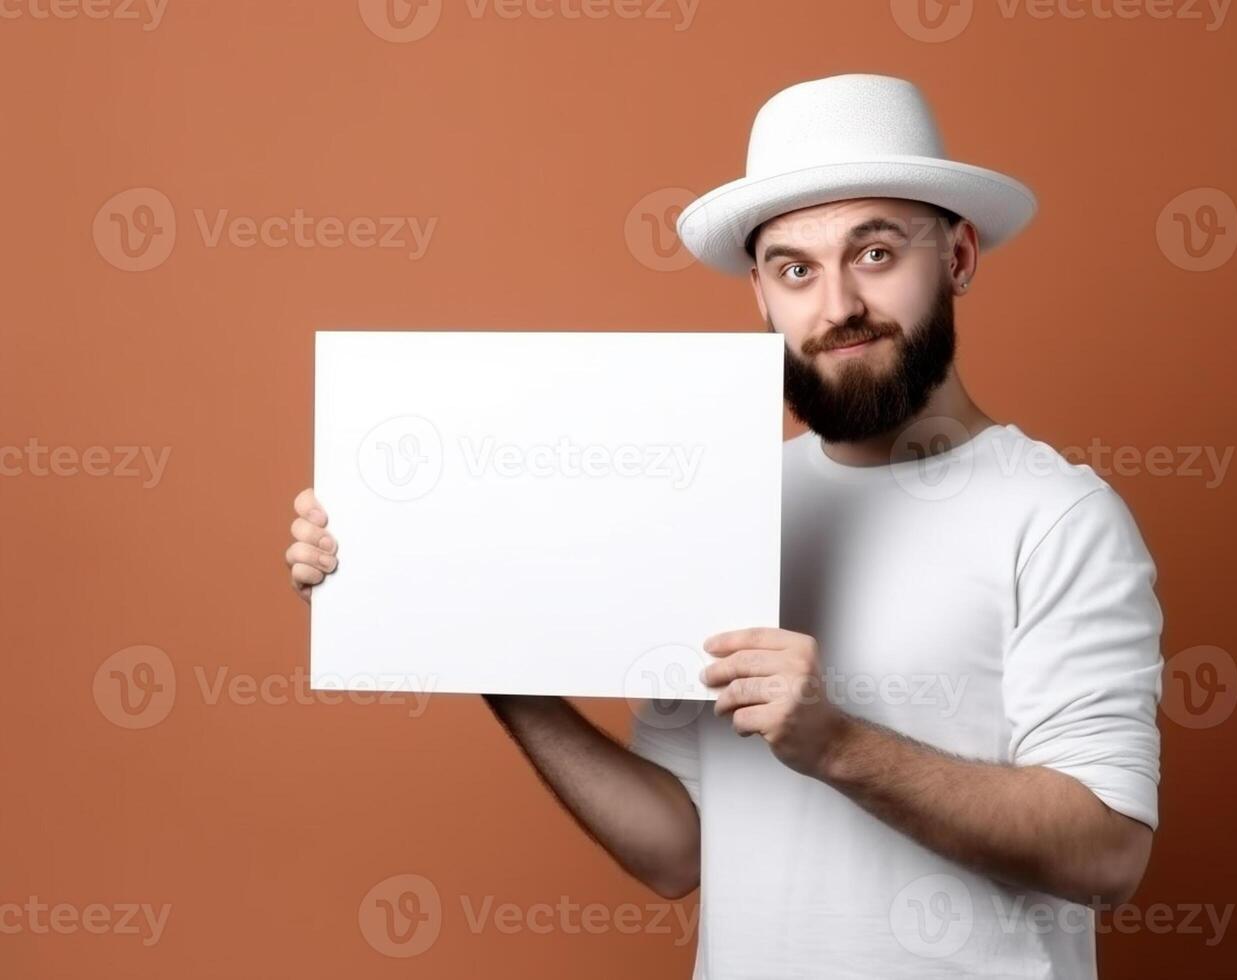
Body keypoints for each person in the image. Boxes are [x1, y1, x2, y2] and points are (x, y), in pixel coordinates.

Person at [285, 73, 1163, 978]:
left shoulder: (1058, 516)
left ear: (959, 257)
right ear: (760, 294)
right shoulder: (720, 503)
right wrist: (474, 642)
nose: (837, 307)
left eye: (874, 253)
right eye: (796, 269)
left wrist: (840, 745)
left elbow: (1106, 856)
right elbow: (675, 850)